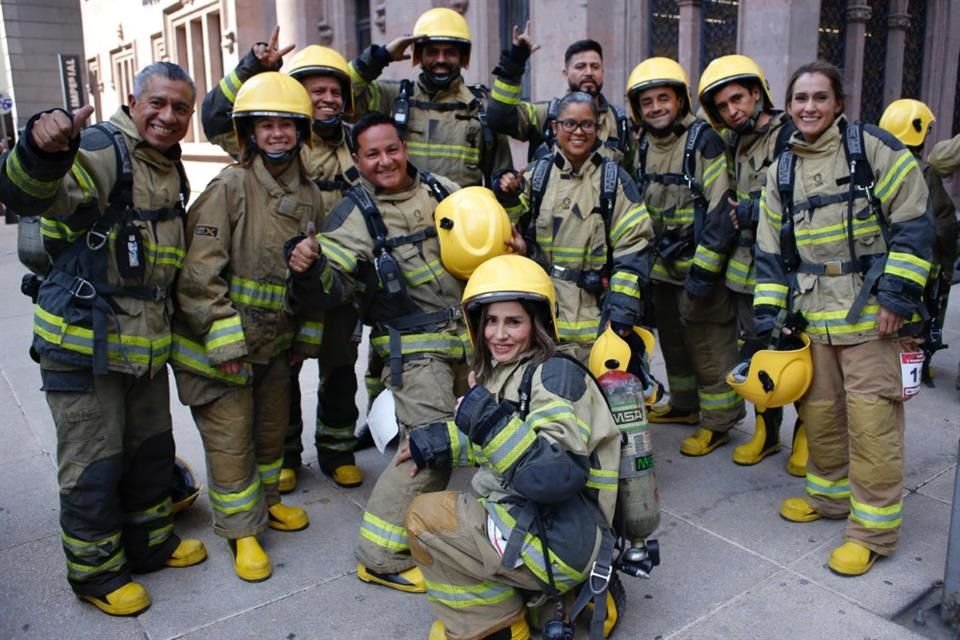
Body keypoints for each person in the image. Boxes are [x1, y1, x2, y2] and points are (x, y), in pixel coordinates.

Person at [0, 61, 207, 616]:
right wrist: (42, 150)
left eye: (180, 108)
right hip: (82, 345)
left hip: (141, 347)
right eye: (157, 104)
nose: (168, 116)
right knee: (93, 463)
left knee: (149, 453)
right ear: (134, 101)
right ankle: (96, 575)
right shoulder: (98, 148)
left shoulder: (166, 164)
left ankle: (150, 544)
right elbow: (31, 195)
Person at [756, 61, 933, 576]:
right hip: (814, 321)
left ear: (838, 103)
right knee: (822, 417)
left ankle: (872, 530)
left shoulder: (872, 148)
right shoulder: (781, 170)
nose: (808, 107)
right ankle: (830, 498)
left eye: (819, 97)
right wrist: (774, 318)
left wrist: (897, 298)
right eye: (800, 98)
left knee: (872, 426)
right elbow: (771, 252)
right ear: (789, 106)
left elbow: (914, 221)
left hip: (873, 318)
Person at [286, 112, 465, 593]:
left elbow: (484, 238)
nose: (384, 161)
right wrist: (310, 266)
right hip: (414, 346)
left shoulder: (442, 189)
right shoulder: (353, 214)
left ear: (404, 146)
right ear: (358, 159)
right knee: (431, 448)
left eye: (391, 149)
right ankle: (379, 556)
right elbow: (334, 286)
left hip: (471, 336)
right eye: (371, 153)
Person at [402, 254, 621, 640]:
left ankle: (497, 626)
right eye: (491, 320)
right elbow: (503, 445)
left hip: (563, 537)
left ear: (538, 324)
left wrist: (484, 418)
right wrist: (434, 441)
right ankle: (534, 599)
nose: (498, 334)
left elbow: (555, 476)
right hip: (554, 526)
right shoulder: (520, 370)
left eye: (513, 321)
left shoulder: (552, 377)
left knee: (426, 517)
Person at [201, 27, 366, 491]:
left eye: (336, 91)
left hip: (341, 281)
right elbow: (216, 118)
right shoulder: (274, 134)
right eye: (317, 91)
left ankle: (337, 450)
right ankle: (287, 454)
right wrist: (253, 67)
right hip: (286, 284)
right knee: (286, 372)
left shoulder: (356, 142)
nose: (328, 99)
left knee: (339, 369)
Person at [171, 72, 320, 582]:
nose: (277, 133)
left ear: (301, 131)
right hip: (222, 346)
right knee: (232, 441)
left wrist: (304, 337)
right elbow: (197, 271)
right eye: (267, 125)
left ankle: (267, 503)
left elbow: (306, 279)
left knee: (269, 433)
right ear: (248, 133)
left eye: (287, 124)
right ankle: (242, 532)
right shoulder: (229, 187)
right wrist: (223, 335)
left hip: (274, 344)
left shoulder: (308, 195)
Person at [625, 57, 744, 454]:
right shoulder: (644, 145)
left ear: (680, 101)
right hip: (662, 267)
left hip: (697, 267)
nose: (656, 107)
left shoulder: (702, 140)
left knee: (708, 346)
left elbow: (719, 208)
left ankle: (719, 422)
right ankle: (685, 406)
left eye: (664, 98)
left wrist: (704, 274)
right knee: (674, 345)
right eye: (647, 102)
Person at [697, 54, 808, 473]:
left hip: (788, 271)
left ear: (758, 93)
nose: (732, 111)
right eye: (723, 106)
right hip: (746, 274)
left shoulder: (790, 136)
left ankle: (805, 436)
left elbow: (799, 196)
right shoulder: (731, 141)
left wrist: (749, 210)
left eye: (738, 99)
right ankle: (767, 432)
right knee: (761, 356)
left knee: (795, 356)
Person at [494, 91, 653, 363]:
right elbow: (508, 228)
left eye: (587, 124)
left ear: (597, 127)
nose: (578, 132)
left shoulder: (614, 182)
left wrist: (621, 316)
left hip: (598, 323)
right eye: (569, 124)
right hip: (543, 321)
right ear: (555, 127)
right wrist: (505, 192)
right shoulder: (536, 177)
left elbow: (634, 248)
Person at [346, 6, 514, 188]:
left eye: (449, 52)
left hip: (462, 215)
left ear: (462, 57)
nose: (440, 59)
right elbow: (344, 100)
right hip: (405, 214)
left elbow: (502, 176)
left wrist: (507, 189)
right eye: (432, 52)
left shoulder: (481, 108)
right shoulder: (394, 99)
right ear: (419, 56)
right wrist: (381, 56)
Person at [487, 22, 632, 165]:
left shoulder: (619, 123)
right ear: (565, 73)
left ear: (602, 72)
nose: (588, 72)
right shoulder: (544, 115)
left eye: (595, 67)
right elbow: (499, 119)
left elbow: (632, 180)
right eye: (580, 67)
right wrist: (515, 62)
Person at [899, 105, 960, 388]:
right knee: (924, 311)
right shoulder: (922, 171)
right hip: (926, 260)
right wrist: (947, 263)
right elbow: (942, 224)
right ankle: (914, 360)